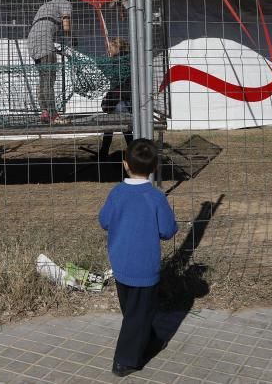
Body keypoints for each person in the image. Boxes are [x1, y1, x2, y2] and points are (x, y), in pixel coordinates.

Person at [98, 139, 178, 377]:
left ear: (125, 165)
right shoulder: (155, 198)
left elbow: (104, 221)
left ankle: (150, 339)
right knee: (138, 313)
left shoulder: (116, 193)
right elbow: (167, 230)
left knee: (133, 311)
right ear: (154, 168)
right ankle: (125, 360)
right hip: (144, 267)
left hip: (120, 263)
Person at [27, 0, 73, 123]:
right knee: (49, 80)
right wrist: (73, 38)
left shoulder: (46, 5)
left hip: (32, 42)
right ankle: (54, 115)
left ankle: (45, 113)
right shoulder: (65, 3)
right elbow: (66, 26)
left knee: (43, 79)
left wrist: (56, 50)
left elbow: (44, 26)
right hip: (44, 42)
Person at [98, 37, 133, 161]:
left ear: (117, 48)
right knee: (116, 126)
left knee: (123, 127)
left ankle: (132, 152)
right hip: (122, 98)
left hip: (122, 100)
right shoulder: (123, 59)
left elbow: (114, 77)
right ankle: (104, 152)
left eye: (111, 47)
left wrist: (104, 62)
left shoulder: (121, 61)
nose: (109, 49)